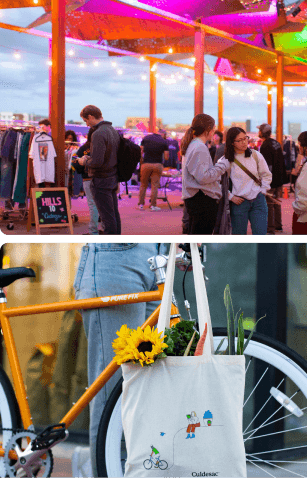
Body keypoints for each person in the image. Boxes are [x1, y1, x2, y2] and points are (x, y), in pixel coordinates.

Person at [73, 242, 196, 476]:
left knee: (153, 387)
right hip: (117, 257)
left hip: (158, 255)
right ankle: (100, 467)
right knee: (113, 394)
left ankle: (110, 466)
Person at [216, 127, 272, 235]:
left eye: (245, 138)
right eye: (239, 140)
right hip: (239, 202)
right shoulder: (226, 160)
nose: (244, 142)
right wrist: (231, 196)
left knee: (261, 235)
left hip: (258, 200)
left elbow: (266, 175)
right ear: (232, 143)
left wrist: (263, 190)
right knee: (239, 237)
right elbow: (215, 182)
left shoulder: (255, 155)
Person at [181, 114, 227, 235]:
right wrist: (222, 166)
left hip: (197, 198)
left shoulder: (193, 145)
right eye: (213, 128)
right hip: (203, 200)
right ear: (207, 130)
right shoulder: (199, 147)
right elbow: (203, 177)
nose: (213, 132)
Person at [78, 105, 121, 235]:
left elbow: (97, 162)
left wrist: (84, 161)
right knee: (113, 214)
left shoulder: (98, 133)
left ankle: (110, 243)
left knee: (107, 217)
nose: (86, 124)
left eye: (86, 120)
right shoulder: (112, 130)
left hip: (101, 179)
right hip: (112, 176)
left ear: (91, 117)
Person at [257, 123, 287, 234]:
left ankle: (270, 228)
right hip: (279, 179)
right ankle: (278, 226)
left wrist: (264, 181)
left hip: (271, 180)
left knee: (268, 204)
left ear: (262, 132)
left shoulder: (265, 145)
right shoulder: (276, 143)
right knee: (277, 203)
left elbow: (267, 165)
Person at [72, 128, 100, 235]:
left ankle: (93, 232)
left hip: (87, 178)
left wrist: (81, 168)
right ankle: (104, 229)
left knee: (92, 204)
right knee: (103, 203)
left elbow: (74, 162)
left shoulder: (83, 148)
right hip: (101, 178)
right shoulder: (102, 147)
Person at [138, 130, 169, 211]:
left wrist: (142, 162)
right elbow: (166, 157)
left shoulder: (146, 138)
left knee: (143, 185)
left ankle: (141, 204)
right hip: (157, 165)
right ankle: (152, 205)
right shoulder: (164, 141)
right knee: (154, 185)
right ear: (163, 134)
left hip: (146, 164)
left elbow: (141, 151)